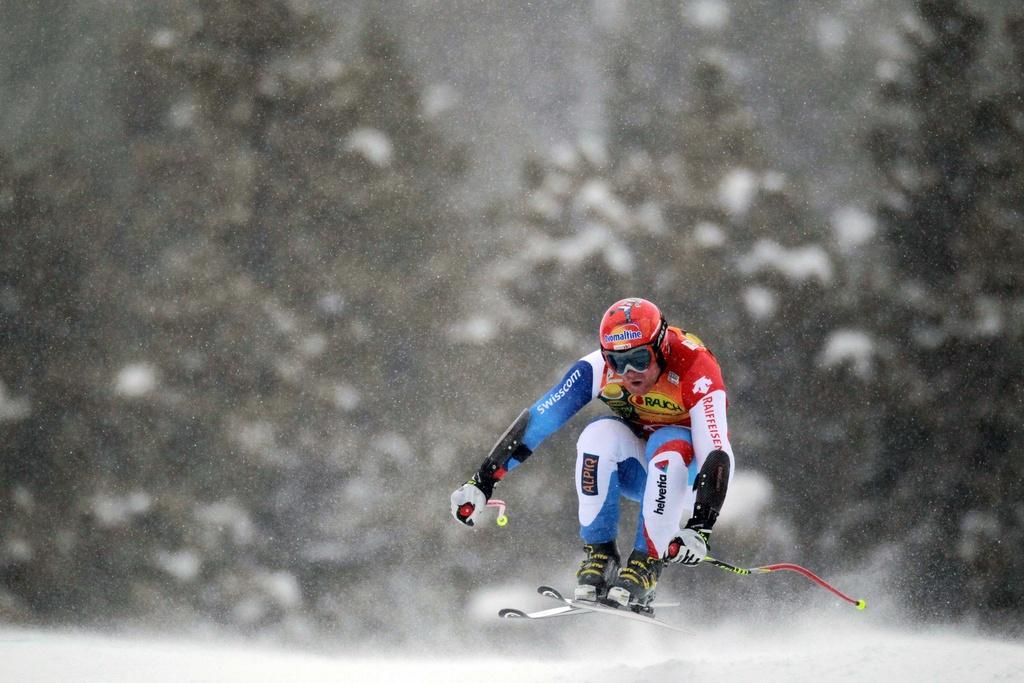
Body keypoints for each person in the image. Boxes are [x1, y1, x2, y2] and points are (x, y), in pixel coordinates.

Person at [450, 297, 735, 610]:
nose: (629, 372)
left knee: (667, 441)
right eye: (616, 361)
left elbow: (717, 450)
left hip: (688, 473)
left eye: (640, 359)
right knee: (597, 435)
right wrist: (482, 480)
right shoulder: (597, 369)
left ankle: (647, 563)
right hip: (639, 468)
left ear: (661, 347)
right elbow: (539, 420)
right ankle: (602, 555)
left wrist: (700, 528)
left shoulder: (695, 367)